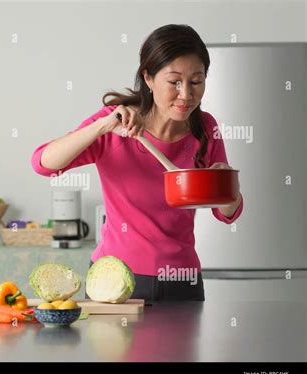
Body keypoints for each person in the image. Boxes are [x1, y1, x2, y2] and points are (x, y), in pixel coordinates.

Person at [30, 24, 244, 303]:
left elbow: (229, 213)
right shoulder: (116, 123)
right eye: (174, 82)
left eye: (196, 81)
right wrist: (101, 127)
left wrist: (226, 185)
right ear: (149, 77)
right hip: (114, 279)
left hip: (183, 279)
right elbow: (43, 163)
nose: (186, 94)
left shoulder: (204, 128)